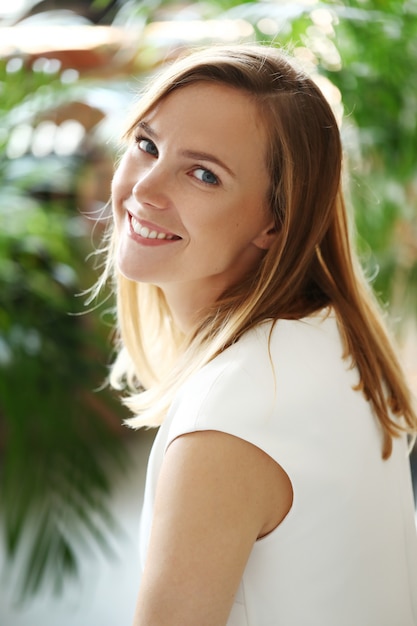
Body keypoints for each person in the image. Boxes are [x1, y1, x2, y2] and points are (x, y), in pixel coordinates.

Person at [102, 44, 417, 625]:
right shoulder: (331, 334)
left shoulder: (230, 414)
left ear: (275, 221)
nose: (144, 188)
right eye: (146, 144)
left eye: (203, 173)